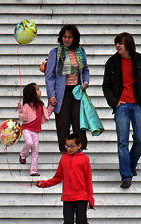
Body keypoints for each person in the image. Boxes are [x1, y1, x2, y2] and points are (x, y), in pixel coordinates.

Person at [102, 32, 141, 189]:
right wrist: (114, 102)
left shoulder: (139, 60)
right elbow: (106, 86)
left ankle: (131, 164)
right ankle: (126, 176)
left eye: (121, 43)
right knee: (122, 142)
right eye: (116, 43)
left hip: (138, 104)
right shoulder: (112, 62)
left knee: (140, 139)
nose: (117, 46)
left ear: (128, 44)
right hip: (121, 106)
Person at [36, 133, 94, 224]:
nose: (68, 148)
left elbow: (88, 179)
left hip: (81, 197)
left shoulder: (84, 159)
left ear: (79, 146)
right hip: (67, 197)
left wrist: (91, 198)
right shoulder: (63, 159)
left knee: (81, 222)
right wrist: (44, 184)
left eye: (71, 146)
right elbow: (58, 177)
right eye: (66, 146)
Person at [45, 25, 90, 153]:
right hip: (61, 94)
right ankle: (65, 153)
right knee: (63, 124)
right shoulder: (55, 53)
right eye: (65, 37)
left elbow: (85, 70)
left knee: (78, 123)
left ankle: (79, 151)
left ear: (74, 38)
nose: (67, 39)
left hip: (76, 92)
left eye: (69, 37)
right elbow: (50, 76)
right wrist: (51, 95)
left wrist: (85, 82)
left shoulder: (80, 52)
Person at [18, 82, 53, 176]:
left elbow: (47, 114)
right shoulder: (26, 106)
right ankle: (23, 154)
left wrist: (52, 106)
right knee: (29, 142)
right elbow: (23, 118)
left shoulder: (41, 105)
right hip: (26, 129)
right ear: (32, 93)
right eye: (37, 89)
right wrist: (21, 110)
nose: (40, 91)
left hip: (35, 131)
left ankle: (33, 170)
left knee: (36, 150)